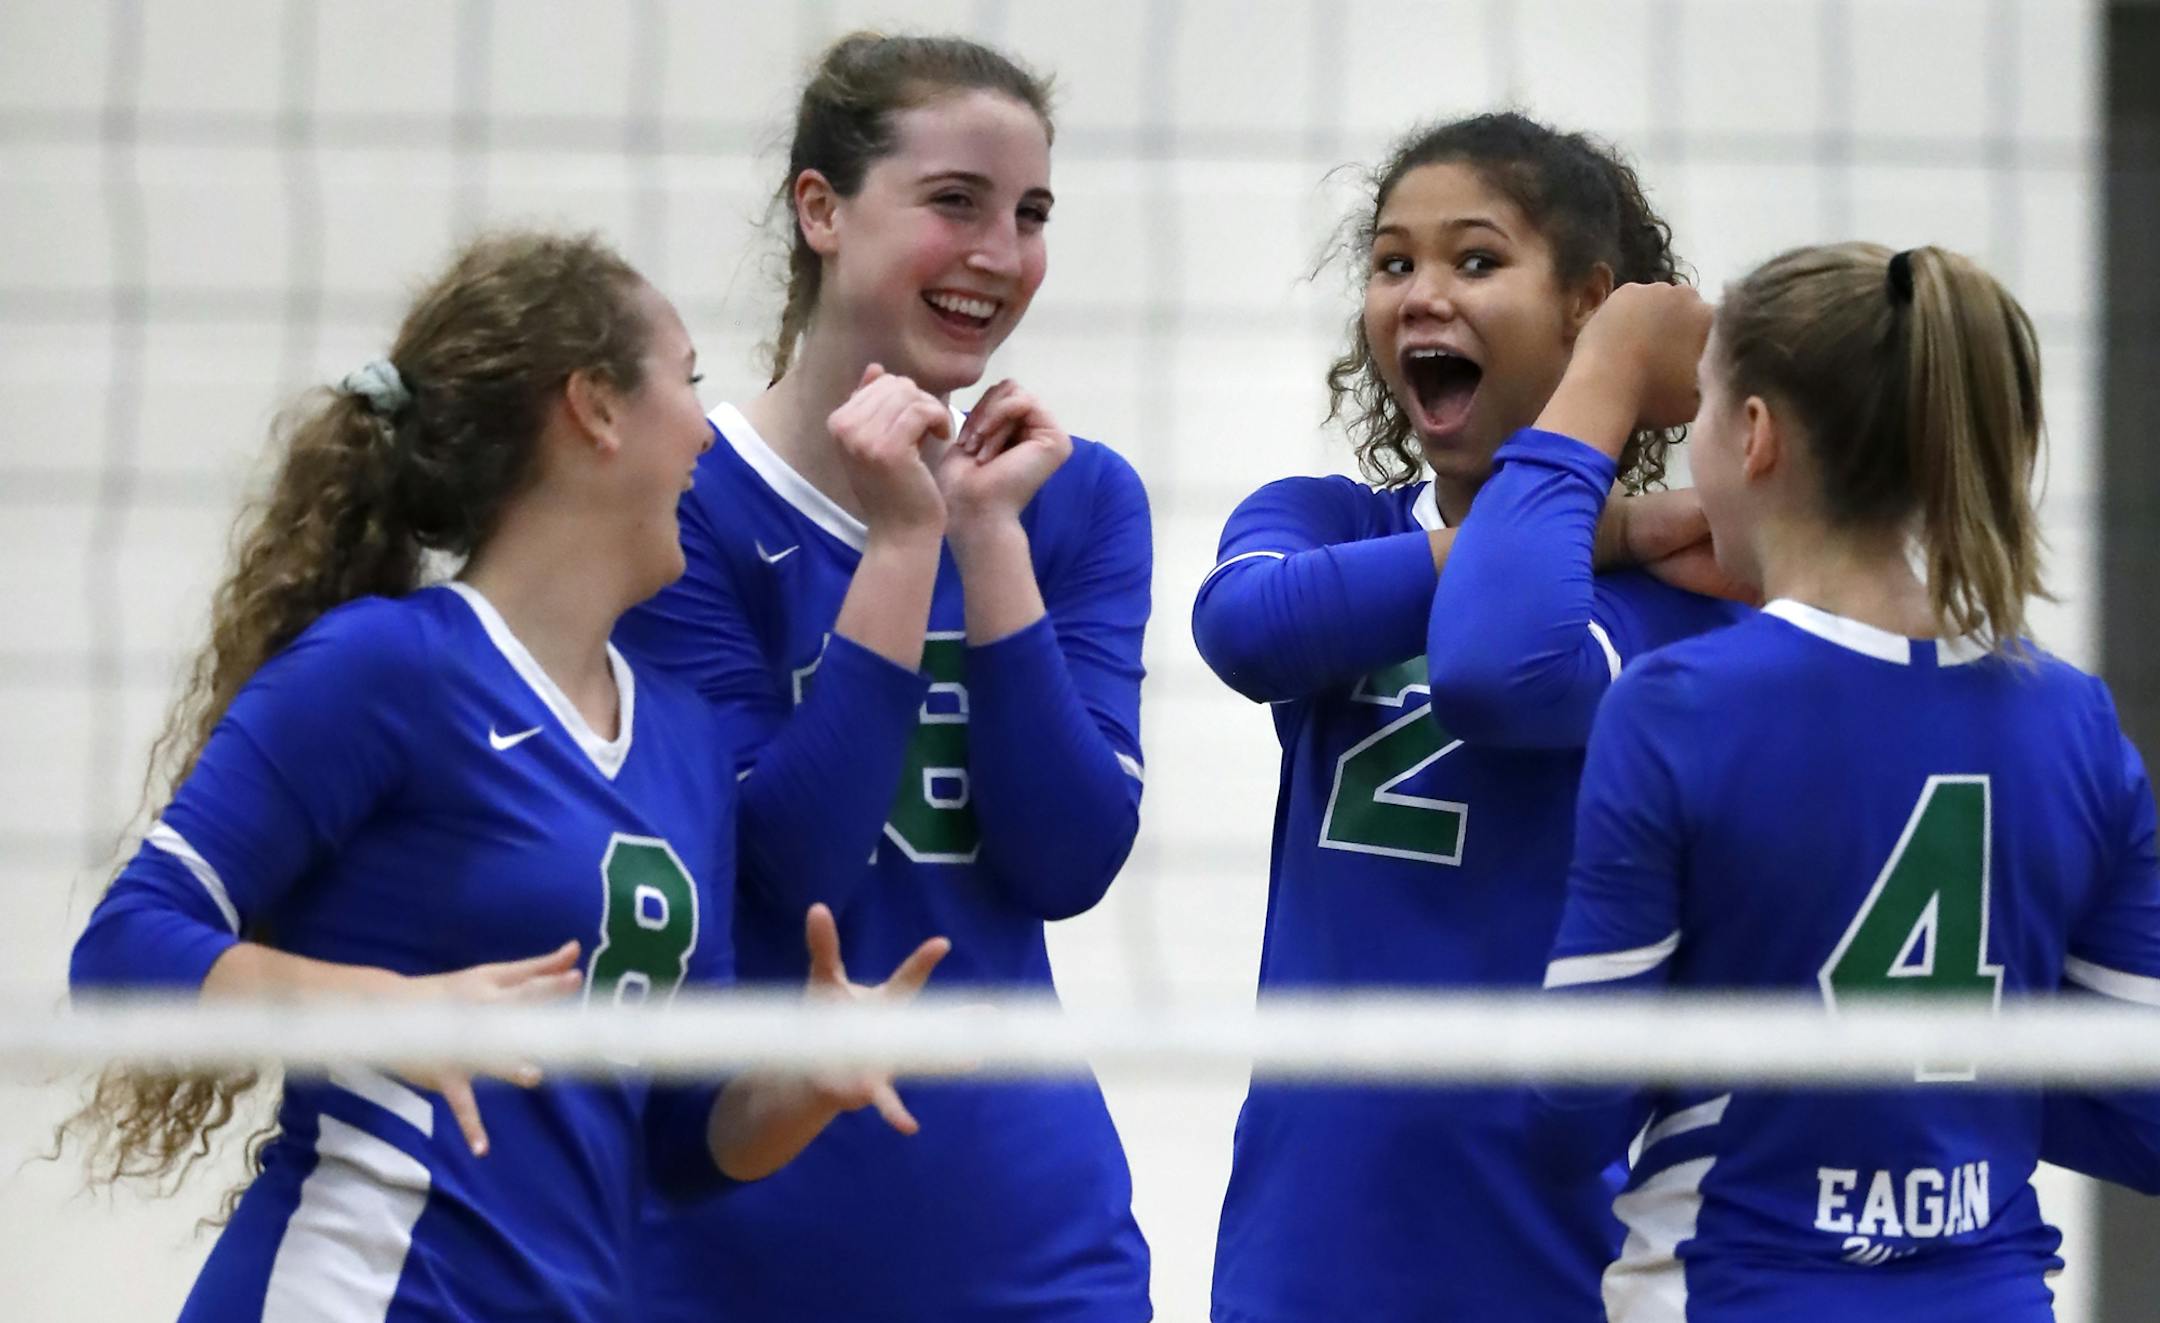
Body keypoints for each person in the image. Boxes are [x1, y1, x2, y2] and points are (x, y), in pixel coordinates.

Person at [64, 230, 943, 1322]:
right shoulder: (390, 668)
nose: (708, 437)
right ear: (597, 408)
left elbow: (681, 1134)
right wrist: (386, 1011)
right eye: (690, 382)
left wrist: (805, 1083)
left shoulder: (683, 739)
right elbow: (123, 949)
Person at [615, 31, 1154, 1323]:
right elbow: (785, 860)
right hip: (743, 1230)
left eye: (1029, 215)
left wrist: (984, 533)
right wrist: (906, 545)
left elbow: (1070, 859)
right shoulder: (676, 508)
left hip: (1032, 1240)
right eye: (955, 202)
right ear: (821, 208)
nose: (1000, 255)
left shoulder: (1071, 499)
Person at [1535, 243, 2160, 1321]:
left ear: (1757, 435)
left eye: (1705, 419)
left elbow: (1572, 1106)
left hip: (1736, 1287)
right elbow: (2144, 1114)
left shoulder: (1683, 704)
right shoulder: (2074, 719)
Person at [1192, 112, 1746, 1323]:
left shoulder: (1675, 604)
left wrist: (1600, 509)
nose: (1422, 294)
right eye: (1394, 264)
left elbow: (1509, 670)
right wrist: (1599, 522)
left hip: (1556, 1250)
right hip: (1308, 1248)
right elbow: (1245, 631)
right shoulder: (1327, 520)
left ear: (1590, 308)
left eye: (1476, 261)